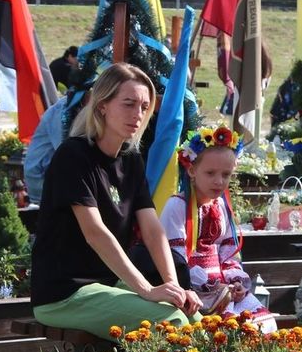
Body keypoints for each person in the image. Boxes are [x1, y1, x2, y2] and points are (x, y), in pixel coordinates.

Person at [31, 63, 202, 337]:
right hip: (63, 294)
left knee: (192, 317)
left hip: (106, 285)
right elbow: (95, 233)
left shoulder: (131, 160)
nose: (138, 114)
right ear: (102, 106)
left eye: (144, 107)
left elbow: (152, 230)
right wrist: (146, 289)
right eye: (129, 104)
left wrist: (173, 286)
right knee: (174, 323)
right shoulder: (73, 156)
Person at [159, 125, 274, 329]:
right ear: (192, 170)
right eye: (210, 173)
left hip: (223, 290)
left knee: (263, 324)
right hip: (191, 292)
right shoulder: (177, 206)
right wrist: (211, 286)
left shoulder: (220, 205)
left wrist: (236, 282)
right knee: (232, 330)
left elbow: (227, 253)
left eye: (226, 174)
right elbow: (175, 261)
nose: (219, 181)